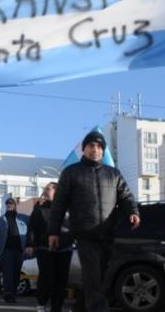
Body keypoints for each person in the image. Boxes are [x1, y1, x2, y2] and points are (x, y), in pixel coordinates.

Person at [48, 131, 140, 312]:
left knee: (99, 280)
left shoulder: (113, 174)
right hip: (84, 234)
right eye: (91, 146)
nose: (95, 150)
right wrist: (53, 232)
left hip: (107, 234)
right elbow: (58, 205)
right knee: (93, 278)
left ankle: (79, 308)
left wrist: (132, 212)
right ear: (84, 149)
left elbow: (127, 197)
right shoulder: (71, 173)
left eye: (99, 147)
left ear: (103, 151)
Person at [25, 182, 74, 312]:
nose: (45, 191)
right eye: (45, 189)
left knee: (61, 280)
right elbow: (31, 228)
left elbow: (74, 227)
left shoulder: (67, 209)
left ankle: (56, 307)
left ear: (57, 191)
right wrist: (29, 244)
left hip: (64, 249)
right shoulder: (39, 209)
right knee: (47, 276)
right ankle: (41, 303)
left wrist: (72, 240)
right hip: (44, 248)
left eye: (48, 189)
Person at [0, 197, 26, 303]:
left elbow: (30, 227)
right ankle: (7, 293)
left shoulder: (22, 219)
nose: (9, 205)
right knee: (7, 273)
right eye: (7, 204)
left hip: (19, 251)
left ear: (15, 205)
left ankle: (13, 293)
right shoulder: (0, 220)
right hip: (6, 251)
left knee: (16, 274)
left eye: (11, 203)